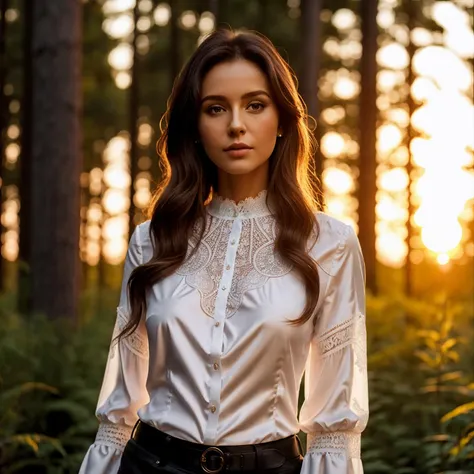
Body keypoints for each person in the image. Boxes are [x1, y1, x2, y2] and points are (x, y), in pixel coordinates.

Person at [79, 28, 368, 474]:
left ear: (283, 119)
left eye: (255, 105)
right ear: (194, 126)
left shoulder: (330, 244)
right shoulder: (151, 240)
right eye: (216, 108)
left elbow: (334, 426)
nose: (236, 124)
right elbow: (121, 402)